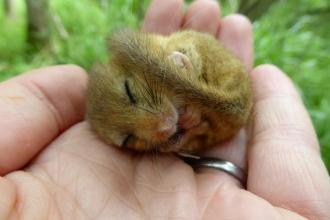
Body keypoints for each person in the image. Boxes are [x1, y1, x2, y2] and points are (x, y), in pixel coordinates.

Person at [0, 0, 329, 219]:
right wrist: (192, 129)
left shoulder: (164, 50)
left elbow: (174, 52)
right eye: (129, 139)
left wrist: (182, 68)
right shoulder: (163, 135)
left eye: (130, 92)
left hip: (213, 81)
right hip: (219, 122)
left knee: (184, 47)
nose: (153, 129)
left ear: (127, 71)